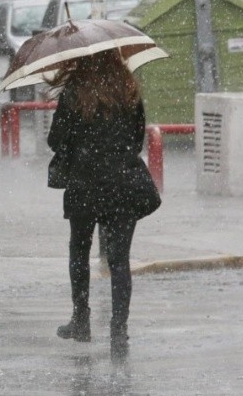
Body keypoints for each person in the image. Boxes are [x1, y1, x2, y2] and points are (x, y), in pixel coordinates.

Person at [46, 48, 161, 361]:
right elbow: (137, 141)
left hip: (85, 183)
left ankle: (81, 320)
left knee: (79, 252)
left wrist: (80, 140)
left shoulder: (74, 93)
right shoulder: (129, 92)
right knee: (120, 260)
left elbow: (55, 140)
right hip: (123, 183)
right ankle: (118, 330)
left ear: (82, 61)